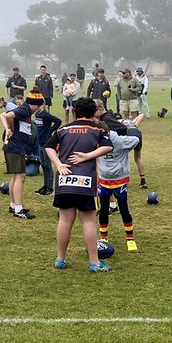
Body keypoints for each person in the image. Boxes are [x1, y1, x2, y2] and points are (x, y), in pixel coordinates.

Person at [47, 97, 115, 272]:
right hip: (86, 180)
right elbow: (108, 147)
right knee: (88, 221)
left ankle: (60, 259)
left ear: (75, 112)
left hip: (64, 180)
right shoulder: (97, 129)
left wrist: (59, 164)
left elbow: (48, 147)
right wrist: (88, 155)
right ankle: (94, 262)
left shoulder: (63, 129)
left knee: (64, 219)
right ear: (93, 113)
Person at [96, 111, 144, 252]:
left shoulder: (97, 140)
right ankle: (112, 238)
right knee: (116, 210)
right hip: (108, 179)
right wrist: (132, 129)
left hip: (115, 180)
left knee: (112, 209)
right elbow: (135, 140)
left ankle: (123, 238)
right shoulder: (119, 140)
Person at [1, 89, 45, 219]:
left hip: (13, 147)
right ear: (32, 103)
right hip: (15, 147)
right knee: (20, 177)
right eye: (37, 106)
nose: (37, 109)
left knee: (15, 177)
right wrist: (9, 128)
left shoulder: (25, 110)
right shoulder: (24, 110)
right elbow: (6, 116)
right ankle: (18, 209)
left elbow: (5, 115)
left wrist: (9, 127)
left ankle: (14, 205)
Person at [30, 94, 63, 197]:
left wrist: (51, 130)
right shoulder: (37, 115)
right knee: (43, 165)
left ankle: (50, 188)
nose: (37, 108)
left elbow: (58, 121)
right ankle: (45, 185)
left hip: (47, 143)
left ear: (43, 106)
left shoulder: (46, 115)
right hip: (40, 143)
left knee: (48, 166)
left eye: (39, 105)